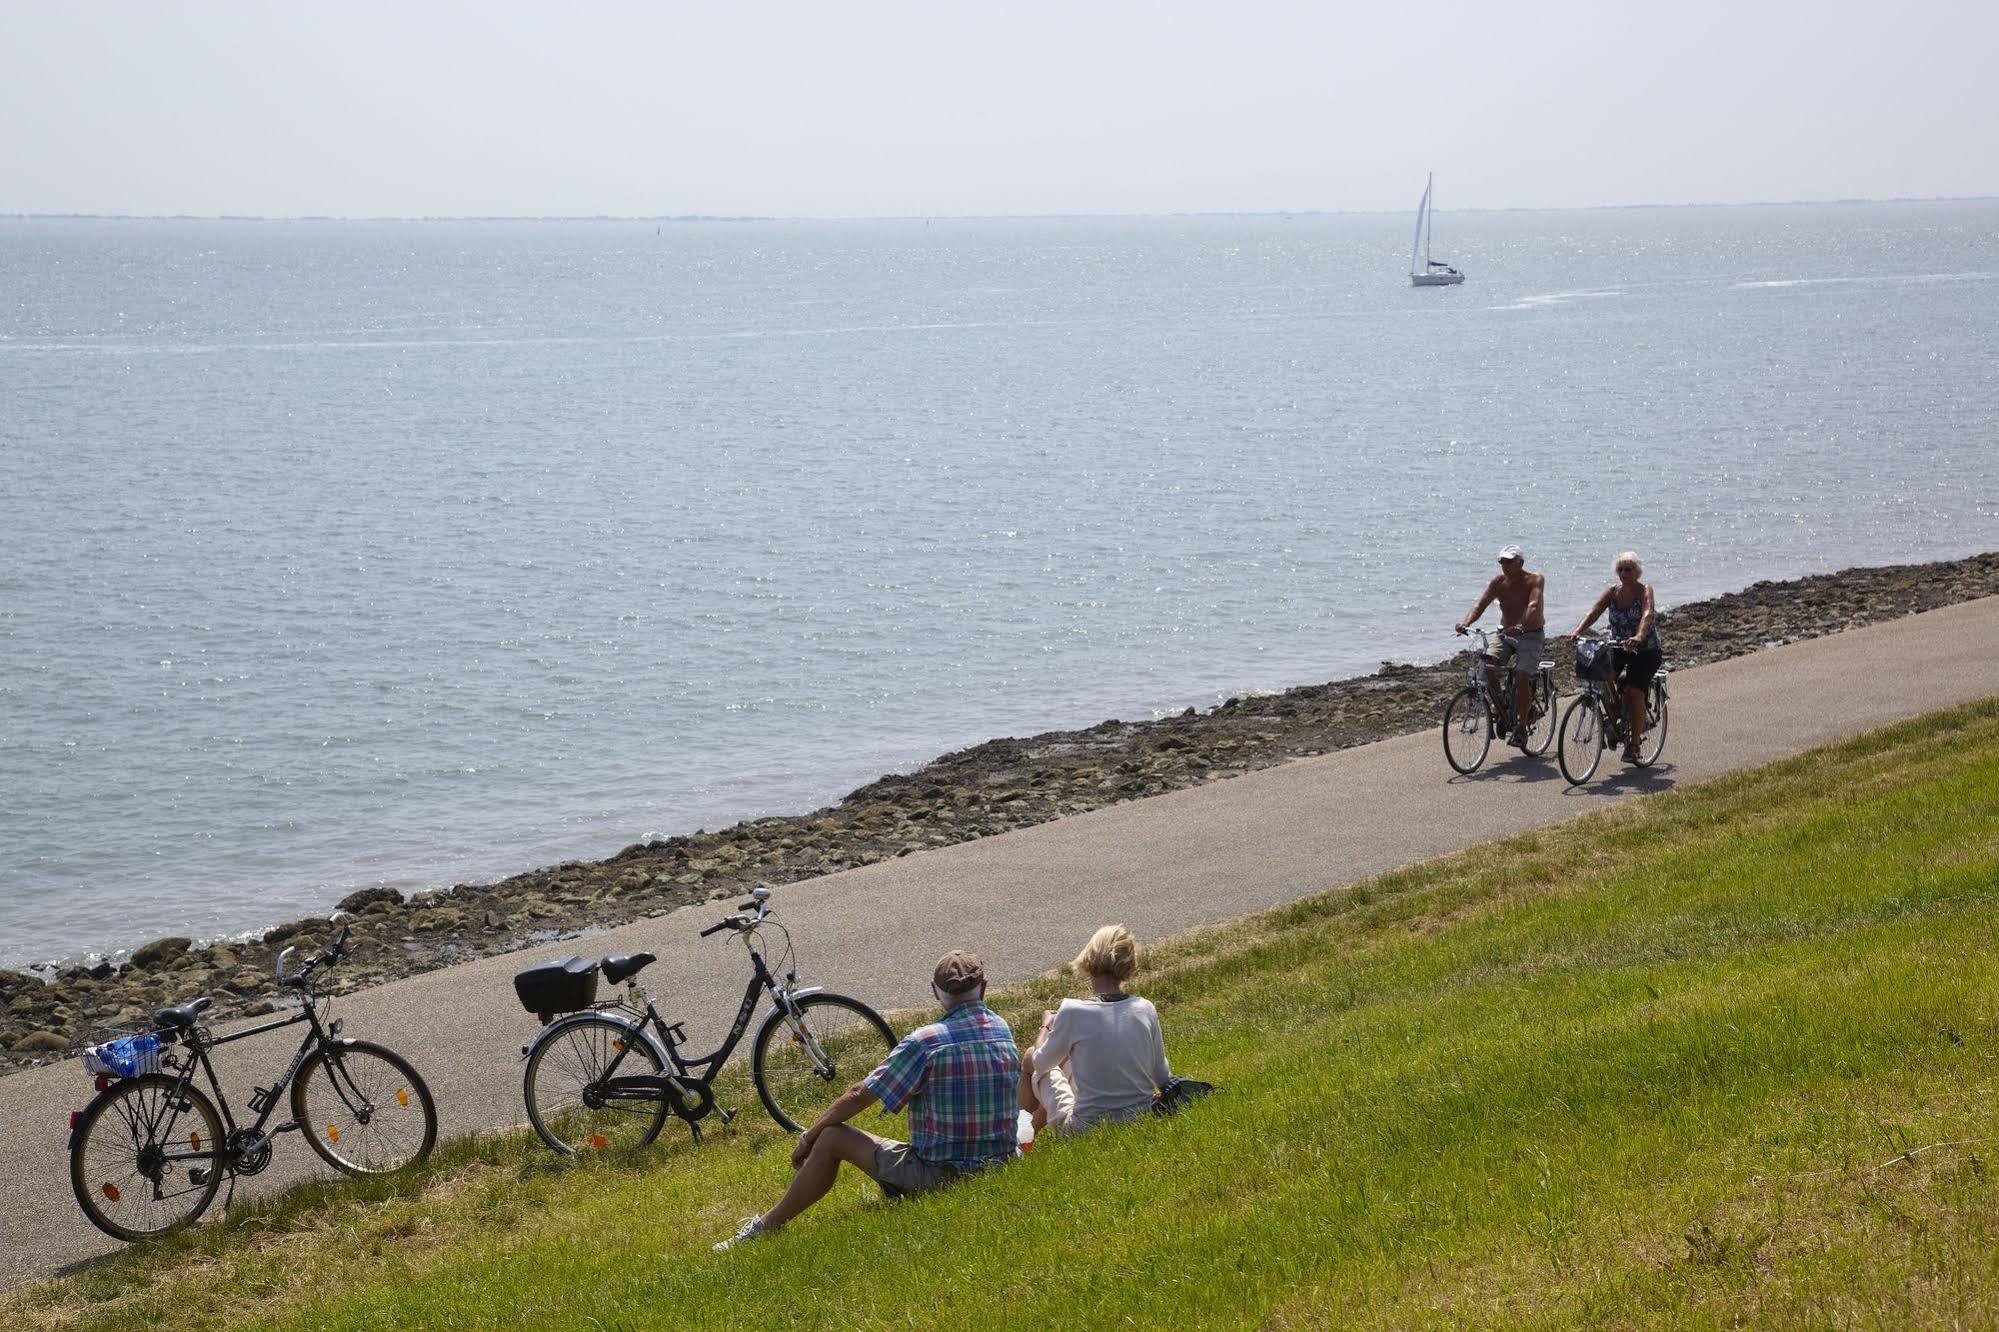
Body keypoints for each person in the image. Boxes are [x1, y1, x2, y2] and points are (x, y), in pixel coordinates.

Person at [714, 949, 1020, 1251]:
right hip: (1001, 1164)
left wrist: (809, 1136)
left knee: (832, 1136)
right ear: (984, 987)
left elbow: (860, 1095)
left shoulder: (927, 1041)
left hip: (940, 1176)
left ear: (935, 992)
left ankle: (767, 1226)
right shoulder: (1002, 1029)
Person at [1018, 924, 1170, 1134]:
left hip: (1083, 1128)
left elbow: (1041, 1062)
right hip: (1138, 1118)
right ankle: (1028, 1135)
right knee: (1068, 1063)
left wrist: (1045, 1025)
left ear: (1089, 958)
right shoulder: (1145, 1008)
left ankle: (1020, 1137)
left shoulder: (1072, 1010)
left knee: (1030, 1057)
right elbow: (1162, 1077)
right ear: (1130, 963)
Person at [1566, 551, 1663, 763]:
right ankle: (1618, 715)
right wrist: (1577, 631)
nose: (1624, 573)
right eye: (1620, 569)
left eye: (1628, 569)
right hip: (1618, 645)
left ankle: (1635, 744)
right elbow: (1595, 610)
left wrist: (1638, 636)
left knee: (1634, 691)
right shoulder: (1613, 591)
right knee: (1600, 675)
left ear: (1637, 571)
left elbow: (1648, 613)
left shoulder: (1644, 590)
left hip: (1644, 649)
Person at [1456, 544, 1547, 749]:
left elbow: (1533, 604)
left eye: (1509, 561)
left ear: (1520, 562)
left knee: (1522, 675)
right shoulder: (1498, 582)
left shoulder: (1535, 579)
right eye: (1501, 562)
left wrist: (1521, 625)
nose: (1504, 566)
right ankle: (1503, 706)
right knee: (1486, 665)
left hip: (1530, 634)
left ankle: (1522, 728)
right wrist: (1466, 623)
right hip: (1504, 634)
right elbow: (1481, 604)